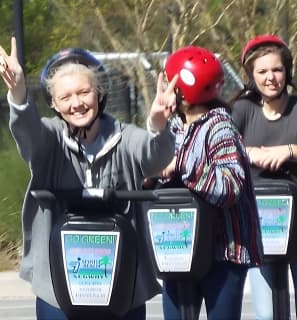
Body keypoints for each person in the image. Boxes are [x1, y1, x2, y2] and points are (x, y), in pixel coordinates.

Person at [0, 36, 179, 320]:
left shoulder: (123, 136)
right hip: (58, 283)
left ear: (99, 94)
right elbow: (30, 135)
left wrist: (158, 124)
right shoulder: (51, 140)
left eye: (84, 92)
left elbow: (154, 157)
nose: (77, 103)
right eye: (66, 97)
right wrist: (19, 94)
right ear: (55, 105)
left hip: (122, 280)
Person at [157, 45, 263, 320]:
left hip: (222, 252)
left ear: (182, 89)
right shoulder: (173, 127)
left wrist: (180, 166)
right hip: (178, 246)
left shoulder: (219, 127)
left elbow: (230, 188)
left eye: (170, 83)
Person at [231, 34, 297, 320]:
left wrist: (290, 151)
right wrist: (251, 153)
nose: (271, 77)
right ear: (251, 76)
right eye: (262, 71)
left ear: (287, 72)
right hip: (260, 223)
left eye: (277, 70)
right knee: (267, 315)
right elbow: (222, 151)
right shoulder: (242, 110)